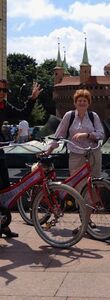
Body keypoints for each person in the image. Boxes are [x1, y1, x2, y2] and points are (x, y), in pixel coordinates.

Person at [0, 79, 42, 238]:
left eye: (5, 90)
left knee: (5, 188)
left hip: (0, 150)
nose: (2, 93)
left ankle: (3, 225)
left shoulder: (4, 105)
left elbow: (22, 114)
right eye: (0, 90)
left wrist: (32, 98)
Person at [45, 89, 105, 179]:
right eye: (79, 101)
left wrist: (87, 135)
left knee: (95, 182)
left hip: (93, 154)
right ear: (75, 103)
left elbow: (101, 134)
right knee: (76, 181)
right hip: (76, 154)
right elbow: (59, 134)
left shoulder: (93, 116)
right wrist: (49, 151)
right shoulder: (69, 116)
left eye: (85, 101)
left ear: (88, 103)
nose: (82, 103)